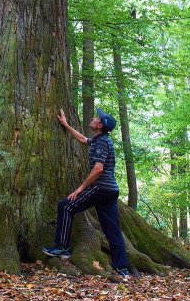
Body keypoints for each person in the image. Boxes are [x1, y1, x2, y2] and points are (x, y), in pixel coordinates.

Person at [43, 107, 131, 277]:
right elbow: (83, 139)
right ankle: (122, 268)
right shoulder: (100, 140)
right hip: (110, 191)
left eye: (97, 117)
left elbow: (98, 168)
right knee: (112, 230)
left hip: (101, 188)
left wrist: (80, 188)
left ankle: (62, 246)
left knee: (66, 206)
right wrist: (66, 125)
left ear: (100, 126)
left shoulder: (102, 143)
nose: (93, 117)